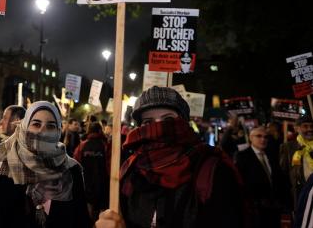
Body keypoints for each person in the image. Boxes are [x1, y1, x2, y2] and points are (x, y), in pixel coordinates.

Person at [96, 86, 245, 228]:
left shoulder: (213, 169)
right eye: (148, 122)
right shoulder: (130, 170)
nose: (158, 127)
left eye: (168, 120)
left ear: (184, 122)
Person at [0, 101, 91, 228]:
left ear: (58, 132)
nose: (42, 131)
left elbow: (80, 220)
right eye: (36, 124)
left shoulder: (71, 170)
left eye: (51, 126)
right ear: (24, 128)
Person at [235, 126, 287, 228]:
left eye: (265, 137)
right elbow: (241, 182)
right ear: (251, 138)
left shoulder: (272, 154)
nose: (263, 139)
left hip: (274, 209)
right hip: (255, 210)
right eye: (259, 136)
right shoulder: (242, 156)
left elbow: (278, 179)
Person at [74, 122, 109, 224]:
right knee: (103, 206)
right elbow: (109, 164)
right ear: (99, 131)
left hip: (86, 181)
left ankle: (88, 223)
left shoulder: (82, 145)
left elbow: (76, 162)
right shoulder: (105, 145)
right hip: (103, 181)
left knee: (88, 203)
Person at [280, 115, 313, 210]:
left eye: (311, 126)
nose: (310, 129)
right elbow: (284, 175)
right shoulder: (288, 147)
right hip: (300, 196)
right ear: (297, 128)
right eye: (305, 126)